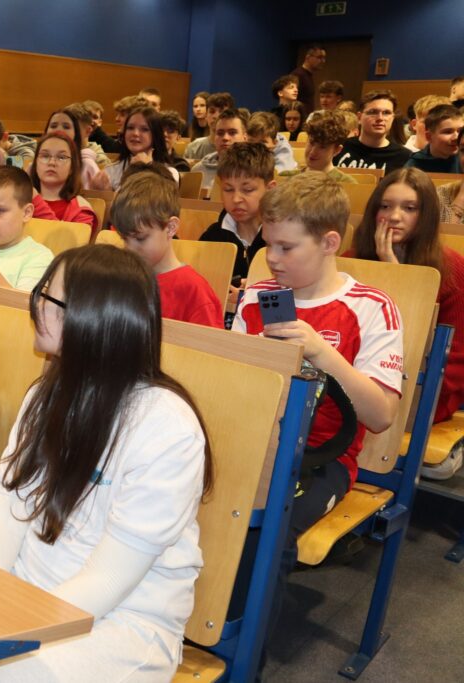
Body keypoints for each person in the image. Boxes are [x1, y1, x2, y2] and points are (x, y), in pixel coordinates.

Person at [0, 244, 212, 681]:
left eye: (48, 296)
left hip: (123, 622)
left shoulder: (166, 426)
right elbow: (7, 511)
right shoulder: (45, 394)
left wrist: (0, 638)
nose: (36, 306)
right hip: (27, 595)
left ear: (92, 319)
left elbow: (108, 581)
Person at [232, 172, 403, 664]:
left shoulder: (371, 308)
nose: (272, 258)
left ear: (329, 243)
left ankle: (243, 657)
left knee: (266, 528)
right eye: (268, 245)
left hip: (323, 459)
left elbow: (381, 415)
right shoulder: (258, 296)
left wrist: (322, 354)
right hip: (255, 442)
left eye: (286, 248)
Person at [349, 169, 464, 472]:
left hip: (421, 390)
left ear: (426, 216)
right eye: (385, 206)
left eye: (409, 208)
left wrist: (395, 274)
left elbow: (455, 363)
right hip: (356, 379)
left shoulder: (453, 270)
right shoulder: (351, 260)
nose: (394, 217)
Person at [111, 171, 222, 328]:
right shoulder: (123, 279)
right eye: (124, 239)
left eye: (140, 238)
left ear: (170, 228)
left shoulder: (194, 292)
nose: (130, 249)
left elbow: (209, 343)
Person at [200, 142, 276, 289]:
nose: (236, 199)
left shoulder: (284, 239)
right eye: (228, 190)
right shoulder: (211, 237)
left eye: (247, 190)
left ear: (270, 189)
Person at [28, 134, 98, 235]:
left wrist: (37, 202)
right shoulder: (20, 199)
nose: (52, 162)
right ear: (35, 164)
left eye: (61, 157)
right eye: (45, 156)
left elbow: (70, 243)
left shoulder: (81, 209)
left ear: (72, 167)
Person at [334, 90, 412, 172]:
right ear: (359, 117)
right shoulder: (339, 148)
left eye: (386, 113)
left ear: (392, 117)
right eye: (373, 112)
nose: (380, 118)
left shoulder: (405, 157)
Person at [104, 106, 179, 190]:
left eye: (144, 129)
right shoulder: (111, 170)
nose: (135, 133)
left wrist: (145, 169)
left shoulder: (170, 173)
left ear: (156, 134)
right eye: (130, 128)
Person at [279, 111, 358, 182]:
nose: (313, 152)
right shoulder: (286, 177)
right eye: (311, 143)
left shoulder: (346, 183)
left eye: (322, 147)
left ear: (337, 150)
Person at [191, 108, 248, 193]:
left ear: (245, 137)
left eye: (232, 132)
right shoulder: (198, 170)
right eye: (220, 133)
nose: (225, 138)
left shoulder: (258, 170)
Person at [405, 104, 463, 173]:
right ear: (429, 136)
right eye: (448, 132)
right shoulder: (414, 166)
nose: (456, 137)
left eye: (460, 131)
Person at [184, 92, 236, 162]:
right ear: (206, 116)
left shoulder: (237, 149)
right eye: (212, 112)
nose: (216, 116)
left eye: (222, 112)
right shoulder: (193, 148)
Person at [292, 45, 326, 110]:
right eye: (319, 57)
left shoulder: (308, 75)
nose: (323, 61)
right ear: (308, 57)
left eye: (324, 58)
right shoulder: (298, 75)